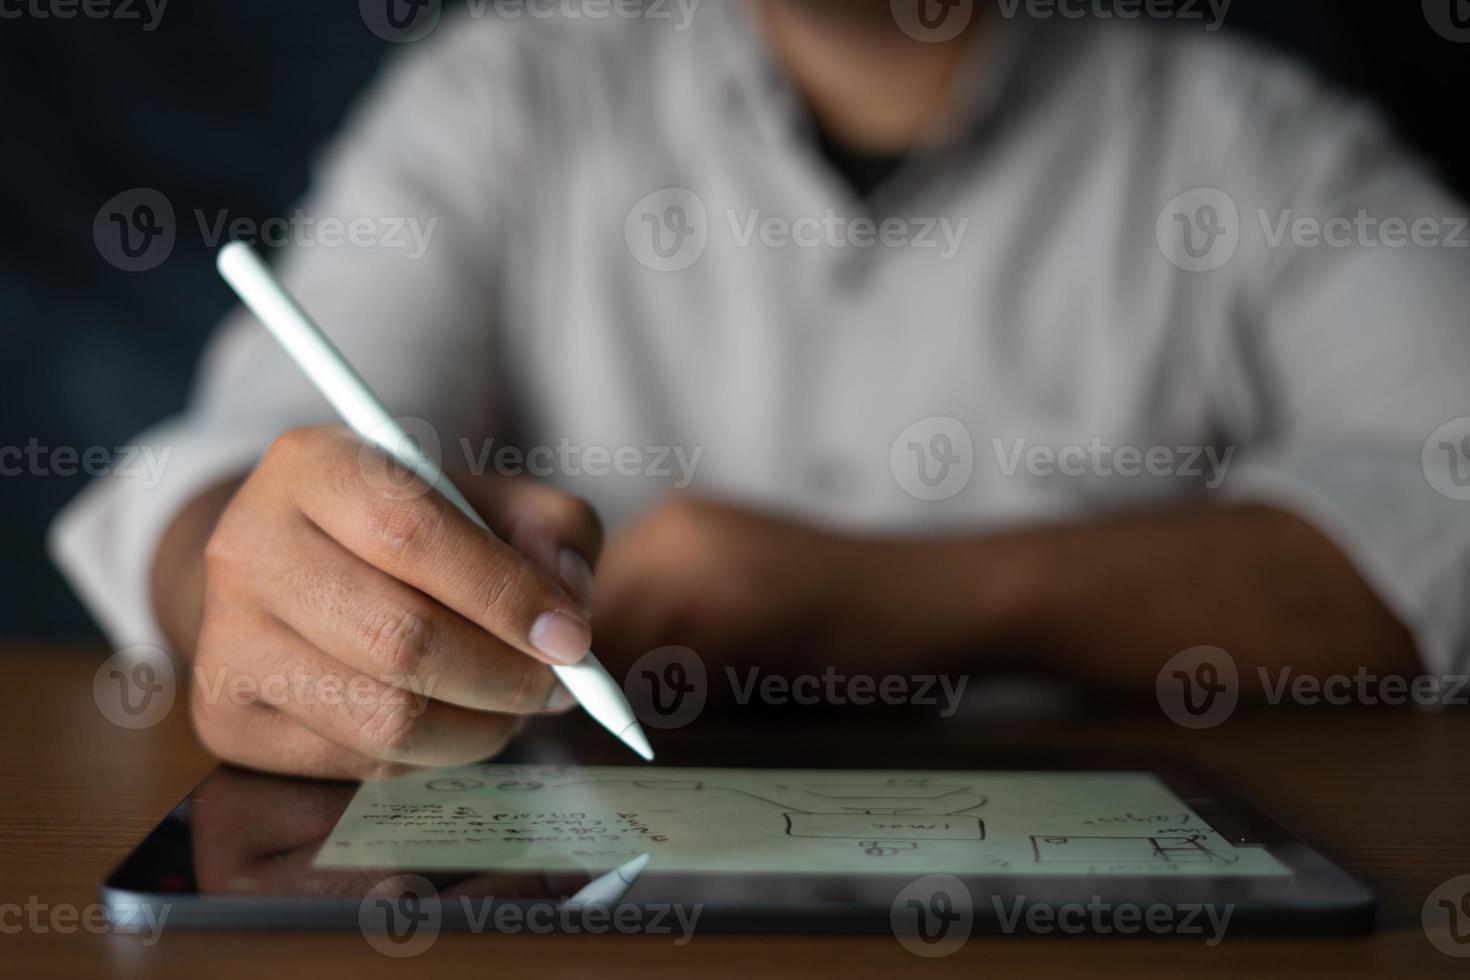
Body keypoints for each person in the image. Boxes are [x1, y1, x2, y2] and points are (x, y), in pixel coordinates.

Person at [52, 0, 1470, 778]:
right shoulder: (505, 86)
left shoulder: (1252, 132)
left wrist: (910, 601)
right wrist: (249, 573)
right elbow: (227, 476)